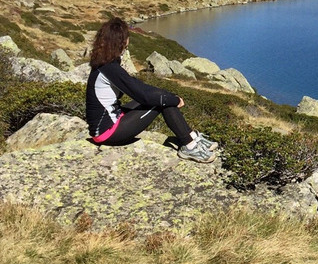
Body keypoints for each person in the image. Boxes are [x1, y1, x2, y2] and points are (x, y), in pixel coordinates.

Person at [85, 17, 219, 162]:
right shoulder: (109, 67)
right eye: (126, 40)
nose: (128, 43)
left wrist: (167, 94)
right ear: (120, 42)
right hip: (107, 132)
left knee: (162, 97)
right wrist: (172, 99)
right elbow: (142, 96)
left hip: (113, 119)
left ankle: (192, 136)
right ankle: (190, 146)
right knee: (162, 102)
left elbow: (137, 86)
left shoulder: (106, 62)